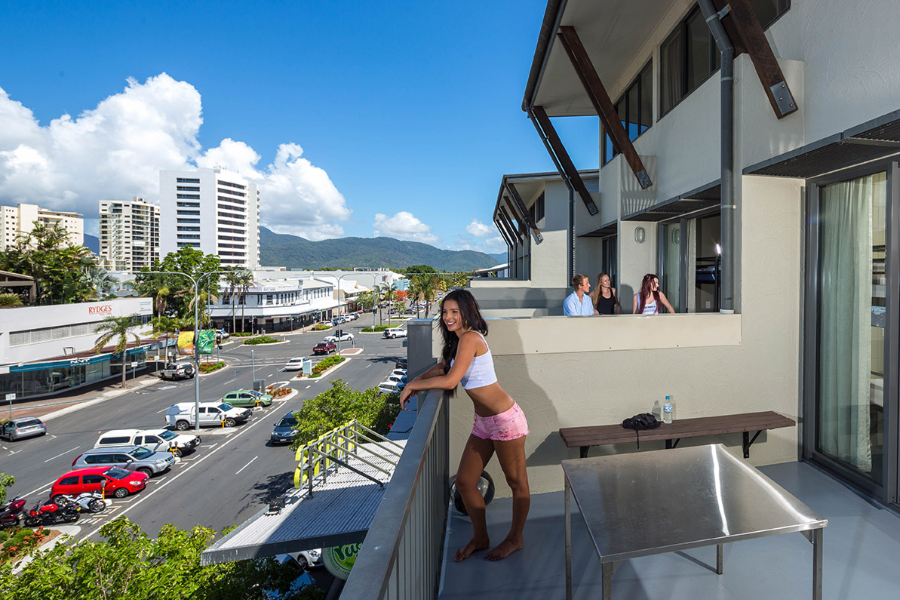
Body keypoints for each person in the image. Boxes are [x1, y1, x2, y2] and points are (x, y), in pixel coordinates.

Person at [399, 289, 530, 562]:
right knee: (465, 482)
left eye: (454, 312)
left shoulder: (470, 338)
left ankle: (515, 539)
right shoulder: (459, 342)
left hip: (504, 420)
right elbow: (441, 370)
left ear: (467, 313)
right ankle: (480, 537)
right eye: (445, 312)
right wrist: (419, 381)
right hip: (483, 422)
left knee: (517, 482)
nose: (448, 317)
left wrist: (412, 385)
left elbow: (449, 381)